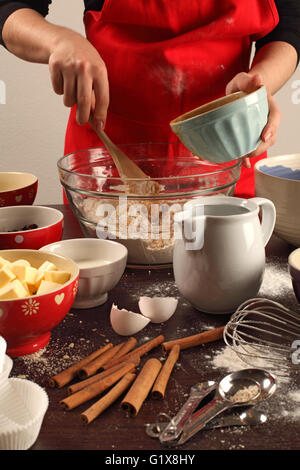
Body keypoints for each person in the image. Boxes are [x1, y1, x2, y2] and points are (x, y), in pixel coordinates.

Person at [0, 0, 299, 197]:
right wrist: (60, 41)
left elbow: (289, 25)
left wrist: (261, 84)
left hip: (226, 160)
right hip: (110, 166)